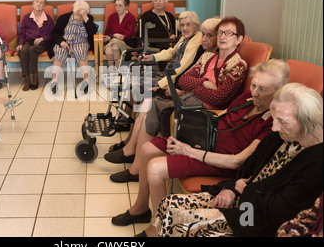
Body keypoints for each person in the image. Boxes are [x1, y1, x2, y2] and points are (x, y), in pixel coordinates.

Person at [111, 59, 290, 230]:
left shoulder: (272, 123)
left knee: (155, 169)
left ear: (278, 91)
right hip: (204, 142)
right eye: (253, 85)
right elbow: (220, 116)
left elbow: (238, 162)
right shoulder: (247, 98)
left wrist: (188, 151)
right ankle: (141, 208)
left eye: (262, 88)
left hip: (219, 160)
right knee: (147, 148)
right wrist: (189, 133)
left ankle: (160, 227)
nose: (255, 92)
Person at [151, 83, 323, 237]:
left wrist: (246, 190)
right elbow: (248, 169)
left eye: (282, 121)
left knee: (177, 220)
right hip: (244, 201)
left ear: (307, 121)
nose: (274, 127)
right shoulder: (281, 136)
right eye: (274, 118)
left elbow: (279, 211)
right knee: (168, 203)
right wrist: (233, 188)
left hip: (252, 220)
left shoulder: (316, 162)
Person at [106, 17, 228, 182]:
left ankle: (132, 155)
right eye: (182, 25)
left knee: (147, 101)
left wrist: (167, 86)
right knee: (138, 89)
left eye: (210, 35)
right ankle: (130, 144)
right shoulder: (204, 53)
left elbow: (183, 71)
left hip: (179, 89)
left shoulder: (202, 47)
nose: (204, 39)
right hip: (178, 86)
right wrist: (156, 60)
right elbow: (185, 75)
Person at [50, 0, 98, 94]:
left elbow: (93, 31)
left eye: (82, 13)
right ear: (74, 10)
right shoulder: (63, 18)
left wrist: (85, 17)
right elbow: (55, 33)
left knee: (80, 51)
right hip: (65, 42)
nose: (78, 16)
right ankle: (54, 81)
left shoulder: (88, 18)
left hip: (81, 42)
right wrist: (61, 42)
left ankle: (86, 81)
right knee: (60, 51)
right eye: (77, 13)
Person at [17, 0, 54, 91]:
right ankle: (27, 79)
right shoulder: (26, 17)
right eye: (37, 2)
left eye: (41, 3)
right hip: (27, 42)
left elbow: (51, 35)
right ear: (33, 4)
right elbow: (21, 34)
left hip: (42, 44)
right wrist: (20, 44)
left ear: (44, 6)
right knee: (23, 51)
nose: (38, 4)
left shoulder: (48, 19)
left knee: (32, 50)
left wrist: (42, 38)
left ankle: (36, 77)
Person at [103, 0, 137, 68]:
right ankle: (112, 71)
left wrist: (113, 36)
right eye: (116, 5)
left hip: (126, 43)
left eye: (120, 5)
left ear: (126, 6)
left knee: (115, 45)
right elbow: (107, 32)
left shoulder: (131, 18)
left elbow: (128, 35)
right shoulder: (112, 17)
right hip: (112, 41)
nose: (117, 8)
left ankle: (117, 68)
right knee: (109, 49)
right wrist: (114, 36)